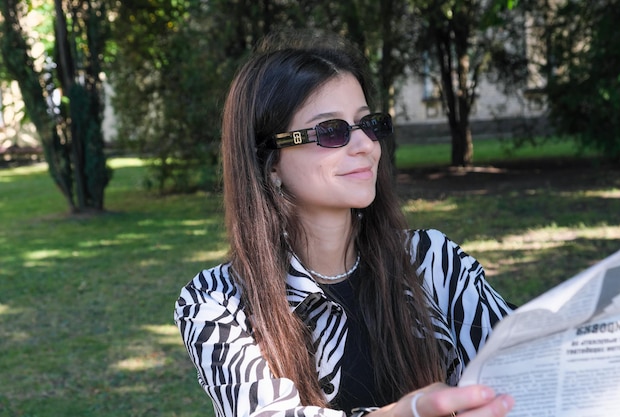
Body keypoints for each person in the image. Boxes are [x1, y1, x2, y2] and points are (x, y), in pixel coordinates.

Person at [175, 30, 515, 417]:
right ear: (270, 165)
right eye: (331, 131)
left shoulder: (432, 261)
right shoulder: (217, 302)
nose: (366, 145)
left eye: (367, 124)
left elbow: (519, 366)